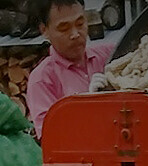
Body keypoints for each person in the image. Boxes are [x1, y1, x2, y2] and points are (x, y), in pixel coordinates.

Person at [26, 0, 115, 138]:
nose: (75, 34)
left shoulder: (109, 55)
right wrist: (90, 105)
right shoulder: (42, 80)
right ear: (44, 30)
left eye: (80, 24)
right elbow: (52, 139)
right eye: (64, 28)